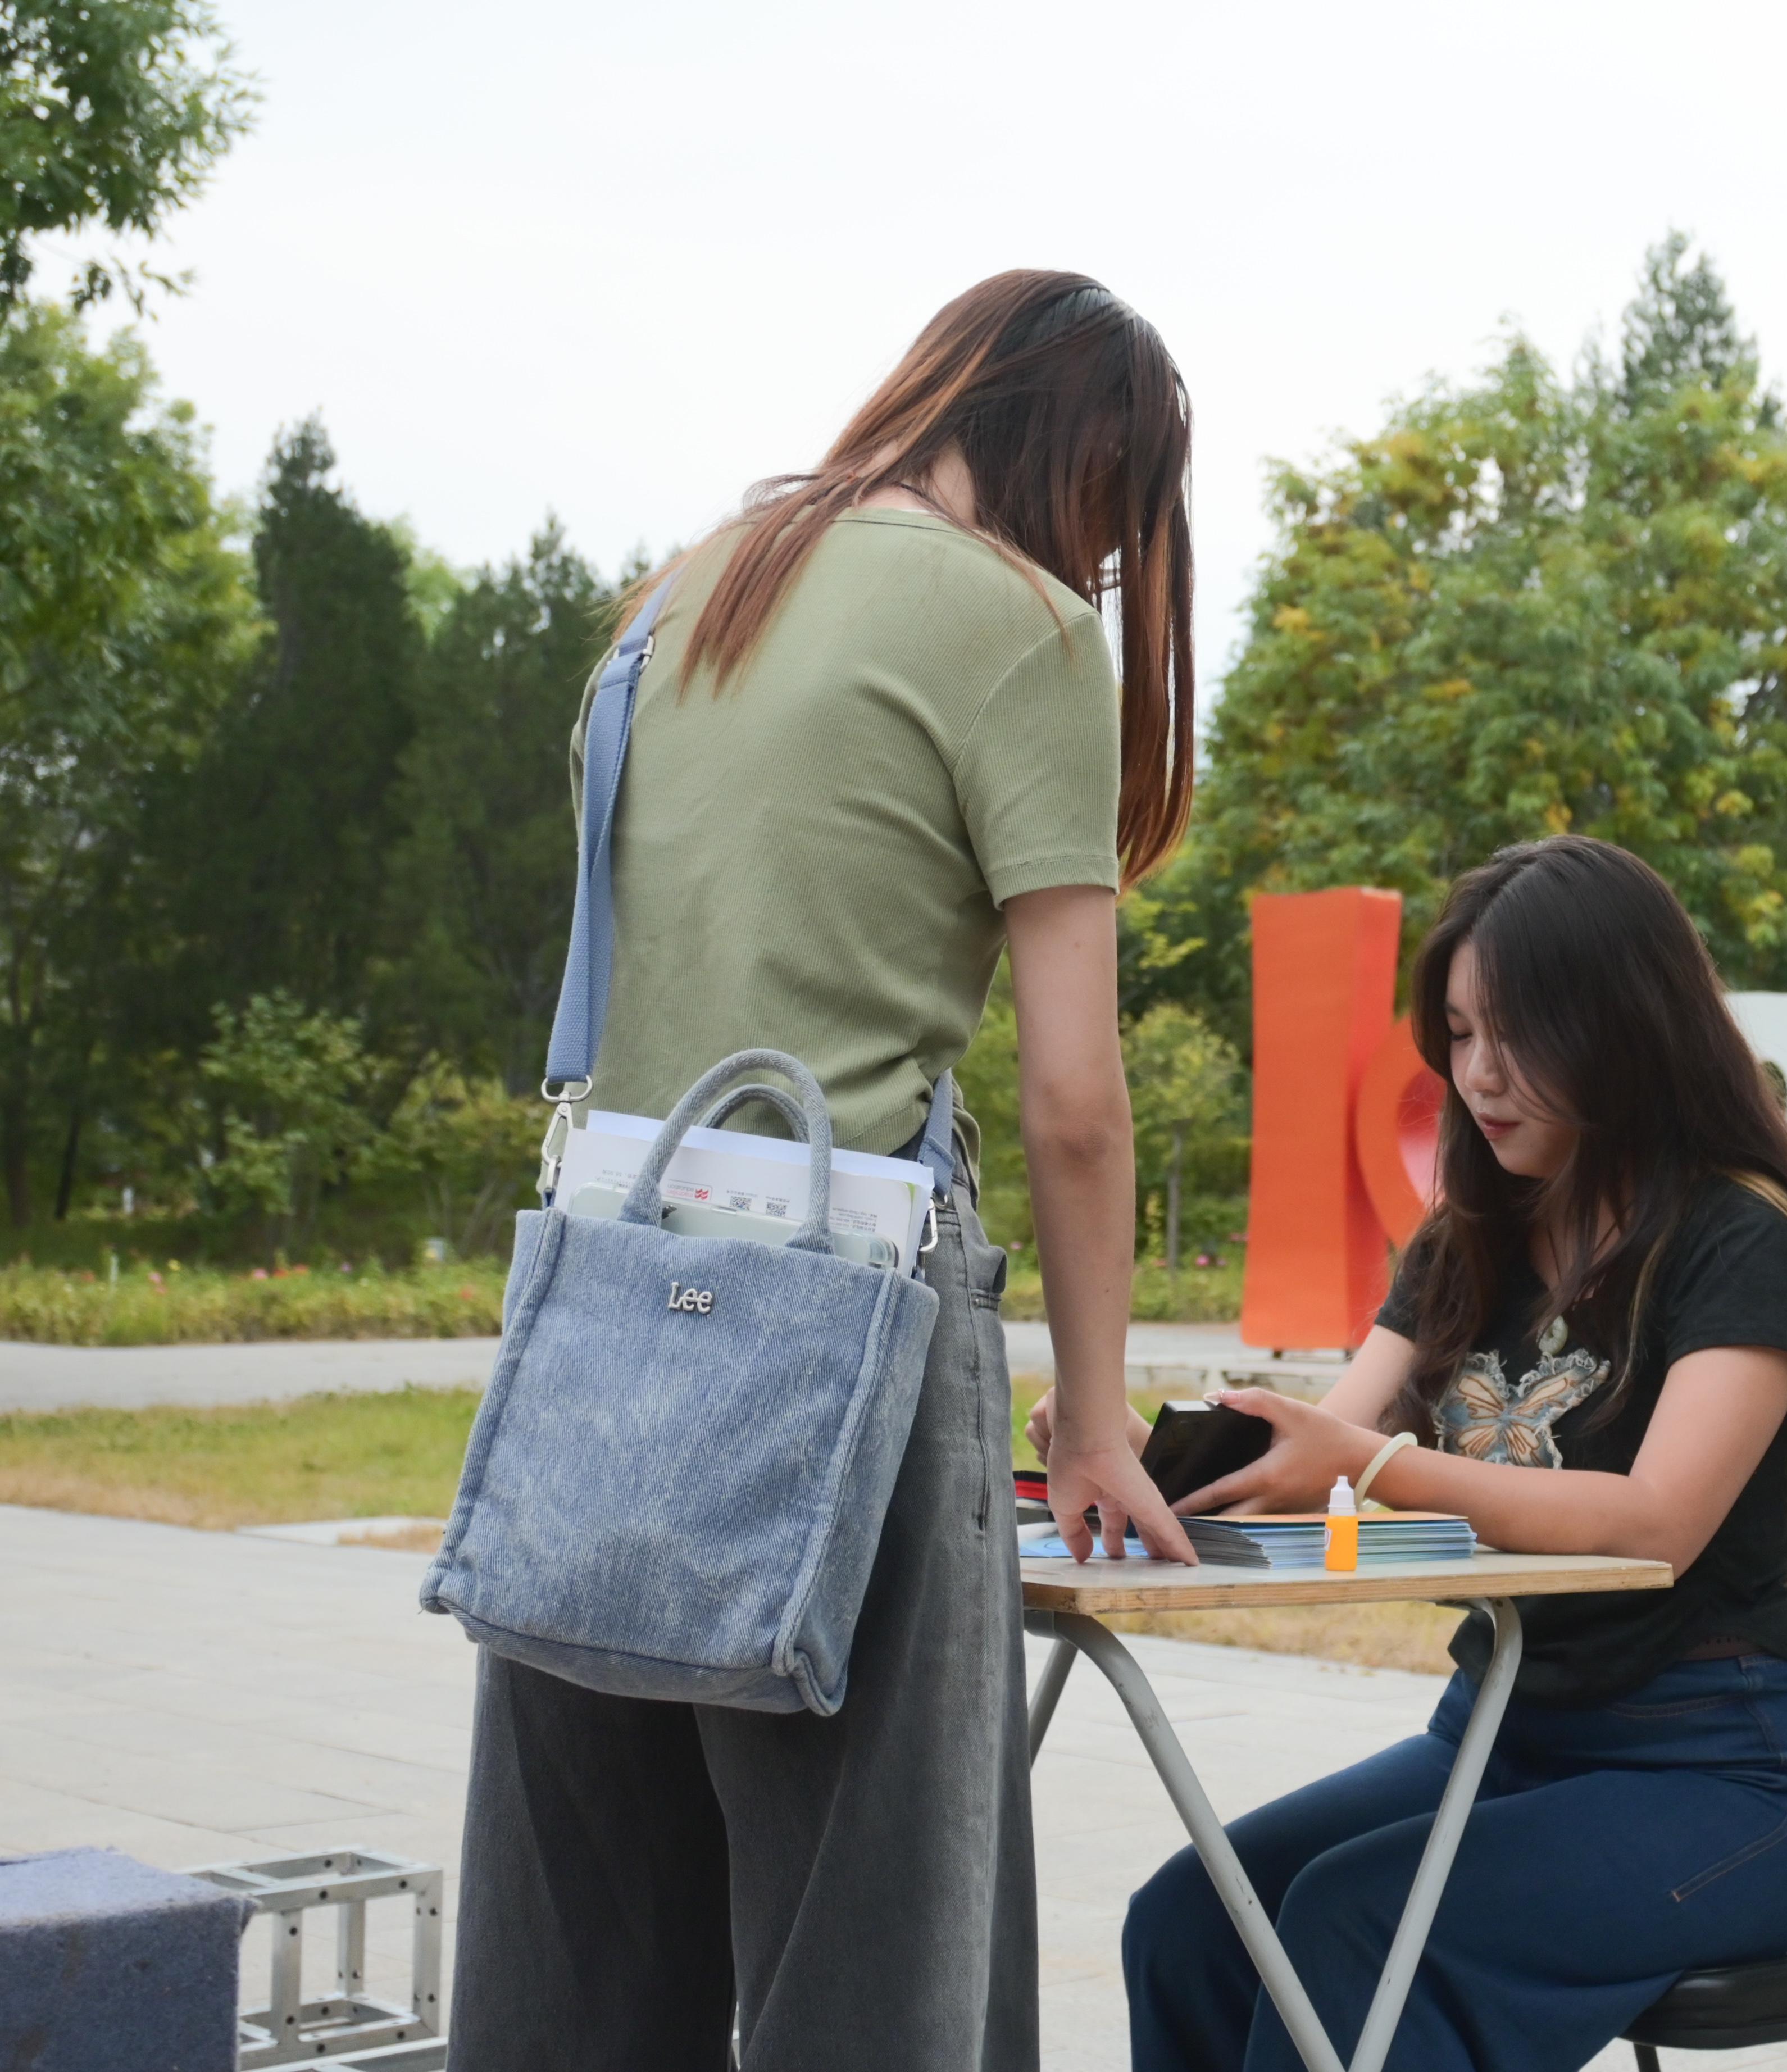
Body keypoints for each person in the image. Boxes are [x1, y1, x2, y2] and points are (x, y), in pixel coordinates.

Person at [451, 271, 1202, 2072]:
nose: (1107, 569)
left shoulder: (693, 587)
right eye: (1120, 527)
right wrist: (1095, 1420)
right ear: (1092, 462)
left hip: (603, 1291)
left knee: (575, 1935)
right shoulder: (1022, 627)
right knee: (873, 1948)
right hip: (847, 1298)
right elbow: (1075, 1098)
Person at [1108, 834, 1787, 2072]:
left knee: (1354, 1926)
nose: (1479, 1074)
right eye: (1459, 1035)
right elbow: (1325, 1443)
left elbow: (1657, 1521)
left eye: (1517, 1034)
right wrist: (1142, 1455)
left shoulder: (1743, 1237)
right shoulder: (1474, 1233)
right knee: (1193, 1920)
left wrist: (1366, 1465)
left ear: (1623, 1024)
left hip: (1722, 1777)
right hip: (1497, 1739)